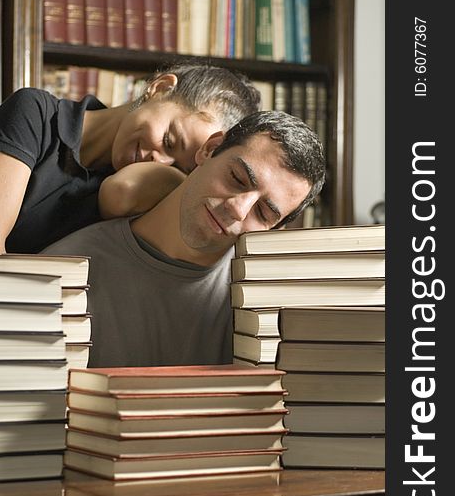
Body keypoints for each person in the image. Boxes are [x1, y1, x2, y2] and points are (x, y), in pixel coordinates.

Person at [42, 111, 326, 368]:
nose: (237, 210)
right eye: (237, 178)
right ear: (210, 149)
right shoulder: (65, 270)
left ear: (274, 231)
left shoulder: (267, 310)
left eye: (263, 212)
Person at [0, 61, 260, 254]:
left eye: (179, 167)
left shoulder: (148, 190)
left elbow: (121, 192)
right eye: (169, 141)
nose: (159, 160)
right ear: (160, 87)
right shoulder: (36, 113)